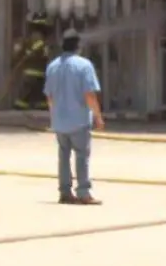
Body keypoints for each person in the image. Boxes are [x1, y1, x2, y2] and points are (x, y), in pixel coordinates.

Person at [44, 29, 104, 205]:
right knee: (81, 156)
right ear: (78, 46)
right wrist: (98, 117)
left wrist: (53, 116)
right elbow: (89, 95)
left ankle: (64, 192)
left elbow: (49, 97)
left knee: (63, 156)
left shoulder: (53, 66)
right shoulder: (84, 65)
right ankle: (83, 193)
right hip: (78, 120)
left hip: (59, 121)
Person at [11, 14, 52, 110]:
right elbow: (36, 47)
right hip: (35, 70)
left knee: (36, 90)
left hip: (37, 70)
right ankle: (21, 105)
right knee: (30, 89)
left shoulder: (37, 37)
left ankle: (37, 105)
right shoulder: (38, 37)